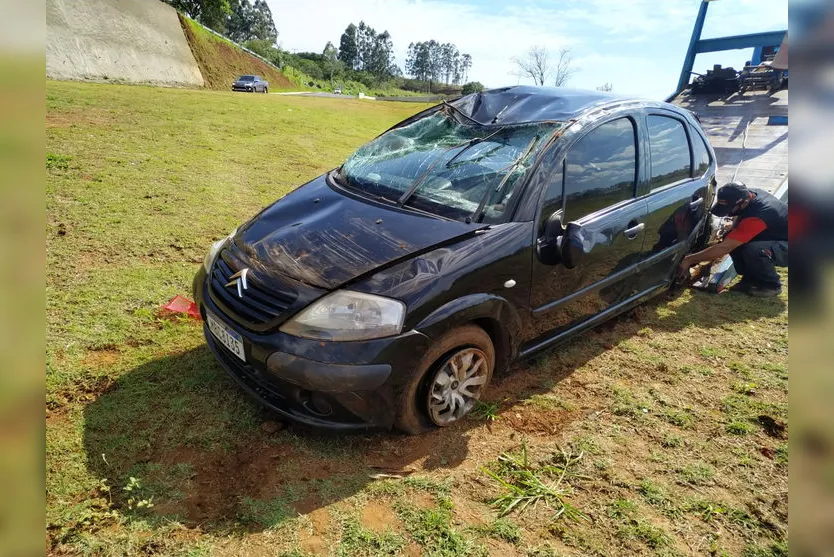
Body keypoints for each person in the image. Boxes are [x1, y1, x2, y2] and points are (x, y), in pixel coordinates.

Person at [679, 182, 788, 297]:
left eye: (730, 209)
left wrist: (689, 260)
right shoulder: (747, 195)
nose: (729, 213)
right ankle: (751, 279)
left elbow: (725, 247)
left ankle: (771, 285)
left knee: (754, 250)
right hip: (777, 234)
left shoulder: (761, 214)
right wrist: (733, 226)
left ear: (742, 202)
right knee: (731, 237)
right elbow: (739, 214)